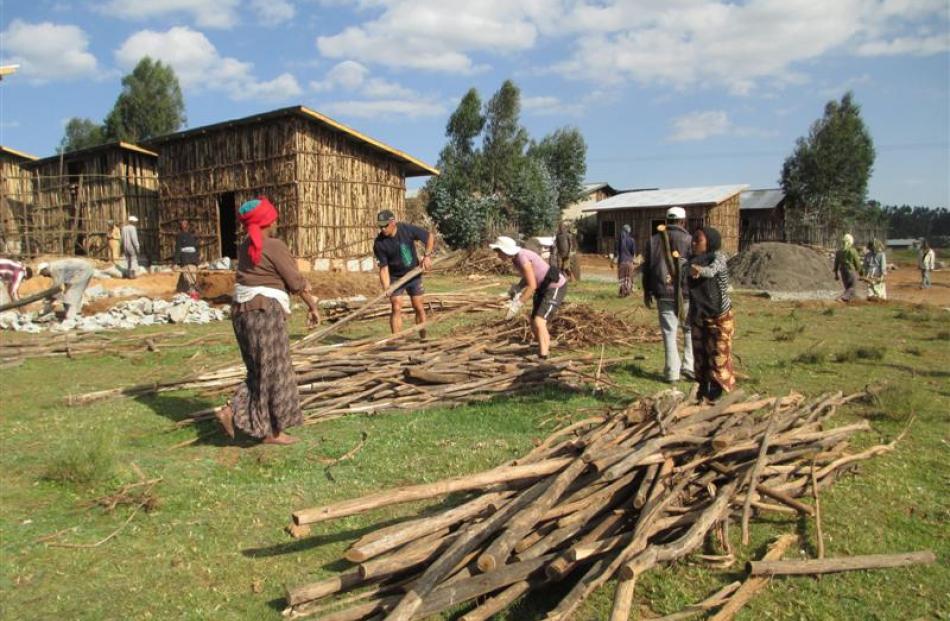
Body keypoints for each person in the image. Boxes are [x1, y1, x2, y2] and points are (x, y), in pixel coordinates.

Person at [215, 197, 322, 446]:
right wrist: (312, 304)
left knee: (259, 370)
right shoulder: (273, 245)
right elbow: (295, 283)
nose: (276, 221)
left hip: (242, 313)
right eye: (273, 218)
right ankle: (234, 412)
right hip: (264, 313)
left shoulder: (245, 246)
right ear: (266, 221)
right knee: (274, 372)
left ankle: (267, 430)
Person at [490, 235, 567, 359]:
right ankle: (540, 346)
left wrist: (517, 305)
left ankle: (543, 356)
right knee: (533, 322)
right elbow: (529, 276)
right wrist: (517, 288)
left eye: (498, 252)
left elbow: (532, 286)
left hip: (554, 286)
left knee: (539, 321)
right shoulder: (516, 259)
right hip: (543, 286)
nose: (497, 255)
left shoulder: (521, 257)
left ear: (505, 250)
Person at [642, 206, 693, 383]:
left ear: (666, 220)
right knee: (689, 330)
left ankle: (672, 373)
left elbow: (647, 268)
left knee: (669, 332)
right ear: (682, 221)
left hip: (662, 292)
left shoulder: (652, 240)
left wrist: (647, 291)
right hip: (686, 293)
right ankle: (689, 366)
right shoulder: (689, 240)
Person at [687, 227, 736, 403]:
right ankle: (700, 393)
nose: (693, 243)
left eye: (697, 240)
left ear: (710, 242)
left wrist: (697, 270)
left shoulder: (718, 258)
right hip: (699, 315)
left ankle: (715, 396)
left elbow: (710, 272)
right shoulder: (691, 260)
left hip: (719, 317)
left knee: (718, 357)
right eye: (693, 239)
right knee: (701, 357)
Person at [373, 209, 434, 337]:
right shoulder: (379, 244)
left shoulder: (406, 229)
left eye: (385, 225)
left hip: (413, 273)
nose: (383, 228)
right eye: (380, 226)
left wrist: (427, 255)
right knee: (396, 306)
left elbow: (429, 236)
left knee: (418, 306)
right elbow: (383, 268)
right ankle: (397, 341)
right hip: (395, 277)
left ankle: (423, 339)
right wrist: (386, 287)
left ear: (393, 222)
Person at [174, 219, 201, 297]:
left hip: (187, 260)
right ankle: (180, 290)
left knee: (190, 280)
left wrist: (175, 263)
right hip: (193, 259)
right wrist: (197, 261)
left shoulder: (180, 236)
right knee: (189, 276)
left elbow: (178, 249)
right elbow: (197, 249)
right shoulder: (192, 236)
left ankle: (194, 295)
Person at [833, 233, 861, 302]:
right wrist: (861, 272)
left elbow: (836, 264)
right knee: (852, 287)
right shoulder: (852, 251)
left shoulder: (838, 252)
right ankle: (842, 298)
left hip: (842, 272)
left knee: (848, 288)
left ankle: (849, 302)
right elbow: (857, 263)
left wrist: (836, 275)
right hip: (850, 270)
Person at [616, 223, 637, 297]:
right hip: (629, 262)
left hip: (622, 262)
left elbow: (617, 253)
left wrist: (613, 262)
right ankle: (628, 291)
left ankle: (622, 292)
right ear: (629, 232)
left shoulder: (619, 241)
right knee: (629, 277)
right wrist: (634, 261)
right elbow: (633, 254)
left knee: (622, 278)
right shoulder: (632, 240)